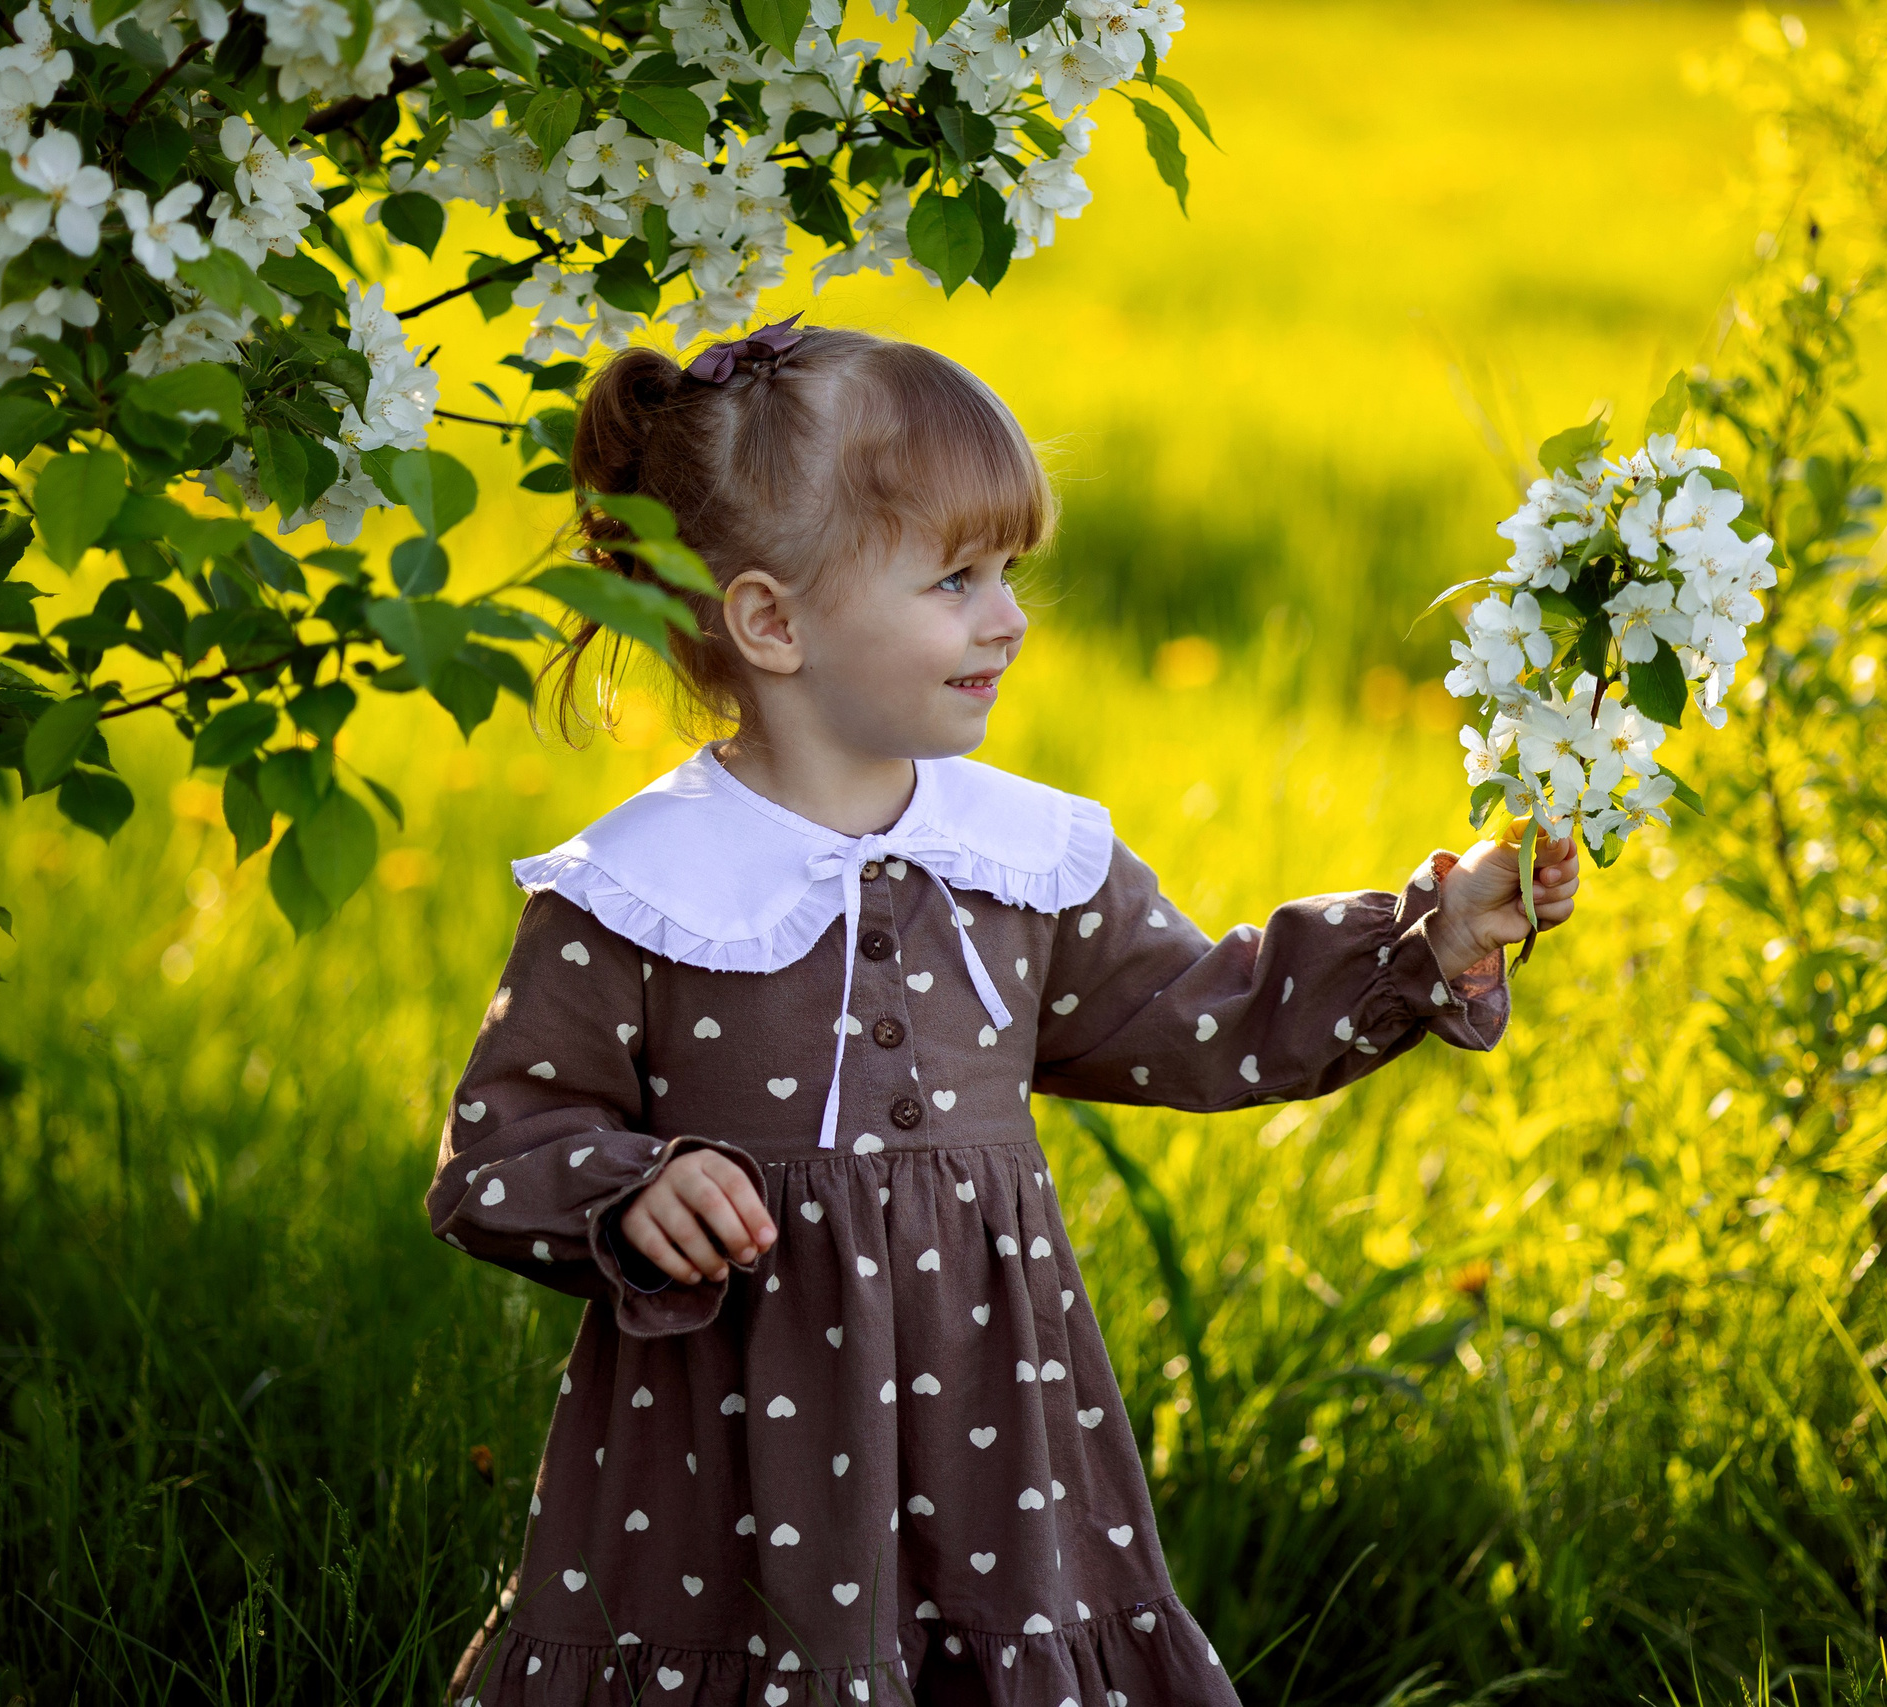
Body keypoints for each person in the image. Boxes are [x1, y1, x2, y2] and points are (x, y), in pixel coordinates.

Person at [427, 318, 1580, 1706]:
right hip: (729, 1461)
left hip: (996, 1431)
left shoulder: (1018, 858)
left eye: (1008, 572)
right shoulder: (637, 888)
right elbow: (498, 1149)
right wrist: (630, 1193)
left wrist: (1429, 936)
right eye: (954, 579)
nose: (1008, 618)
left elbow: (1198, 1015)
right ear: (772, 623)